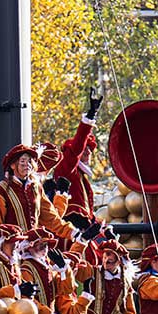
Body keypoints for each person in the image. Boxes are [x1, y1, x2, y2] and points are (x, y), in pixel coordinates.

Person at [0, 143, 79, 243]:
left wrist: (74, 233)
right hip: (11, 250)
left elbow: (52, 219)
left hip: (33, 247)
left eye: (30, 161)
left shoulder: (36, 188)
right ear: (12, 165)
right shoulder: (0, 190)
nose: (27, 165)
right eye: (23, 161)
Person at [19, 227, 94, 314]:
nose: (45, 248)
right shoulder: (26, 269)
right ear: (29, 247)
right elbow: (26, 299)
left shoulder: (48, 268)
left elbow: (67, 289)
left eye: (46, 245)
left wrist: (65, 270)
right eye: (41, 245)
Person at [54, 87, 103, 228]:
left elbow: (87, 210)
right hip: (70, 227)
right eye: (85, 150)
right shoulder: (67, 168)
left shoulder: (82, 176)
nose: (88, 153)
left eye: (90, 150)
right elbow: (77, 147)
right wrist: (90, 117)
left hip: (82, 227)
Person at [74, 238, 144, 314]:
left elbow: (127, 312)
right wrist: (81, 241)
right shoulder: (91, 272)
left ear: (119, 261)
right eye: (105, 254)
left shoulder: (125, 283)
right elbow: (73, 263)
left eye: (110, 255)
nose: (107, 258)